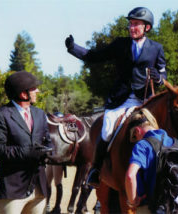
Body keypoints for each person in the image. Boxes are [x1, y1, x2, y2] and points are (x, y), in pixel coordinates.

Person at [65, 7, 167, 187]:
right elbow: (94, 56)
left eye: (136, 24)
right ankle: (96, 170)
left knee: (162, 129)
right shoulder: (120, 44)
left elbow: (163, 76)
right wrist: (73, 48)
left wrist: (158, 78)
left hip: (145, 100)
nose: (132, 27)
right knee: (107, 129)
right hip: (121, 99)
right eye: (131, 24)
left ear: (147, 27)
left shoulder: (156, 49)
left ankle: (163, 168)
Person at [0, 71, 52, 214]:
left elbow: (48, 141)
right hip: (12, 190)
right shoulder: (1, 114)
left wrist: (49, 152)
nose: (37, 91)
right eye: (33, 89)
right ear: (23, 94)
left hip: (39, 188)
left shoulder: (40, 114)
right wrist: (26, 152)